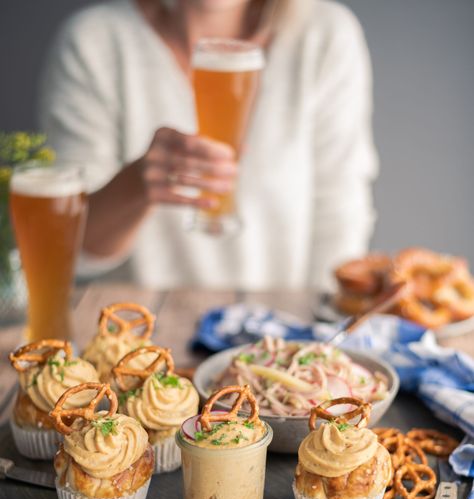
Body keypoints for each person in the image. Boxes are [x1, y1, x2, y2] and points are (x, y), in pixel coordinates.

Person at [39, 0, 377, 291]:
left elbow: (340, 217)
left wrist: (316, 339)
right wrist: (137, 185)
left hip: (282, 337)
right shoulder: (94, 42)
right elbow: (68, 249)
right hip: (138, 341)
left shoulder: (325, 35)